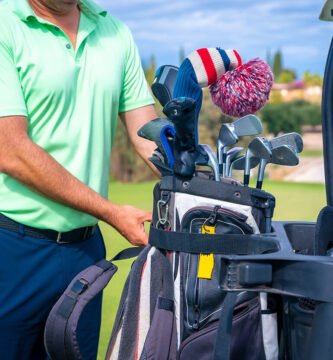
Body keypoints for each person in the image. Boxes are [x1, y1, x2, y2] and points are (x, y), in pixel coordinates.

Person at [0, 0, 158, 358]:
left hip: (84, 254)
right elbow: (10, 149)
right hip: (11, 248)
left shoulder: (114, 31)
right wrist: (109, 211)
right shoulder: (4, 22)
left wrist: (199, 179)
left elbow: (146, 132)